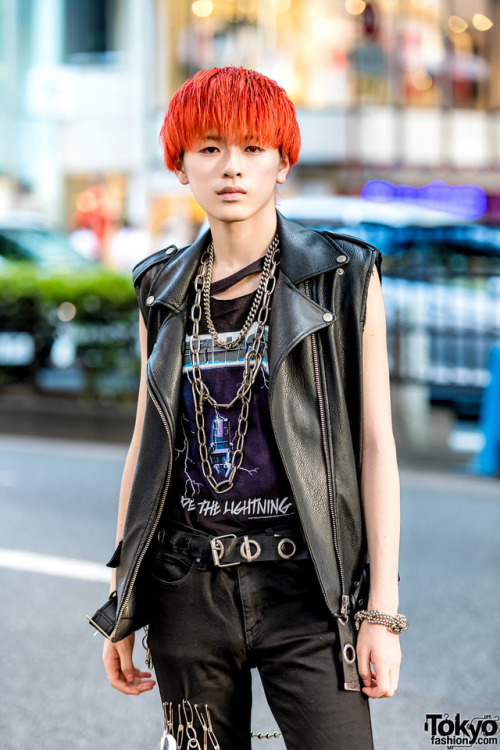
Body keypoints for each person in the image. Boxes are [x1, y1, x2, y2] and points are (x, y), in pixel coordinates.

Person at [89, 66, 407, 750]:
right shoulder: (160, 290)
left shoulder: (344, 277)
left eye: (253, 148)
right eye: (209, 147)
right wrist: (122, 602)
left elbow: (376, 445)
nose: (231, 166)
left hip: (310, 593)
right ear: (180, 165)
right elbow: (147, 446)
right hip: (187, 593)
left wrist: (381, 612)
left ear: (283, 163)